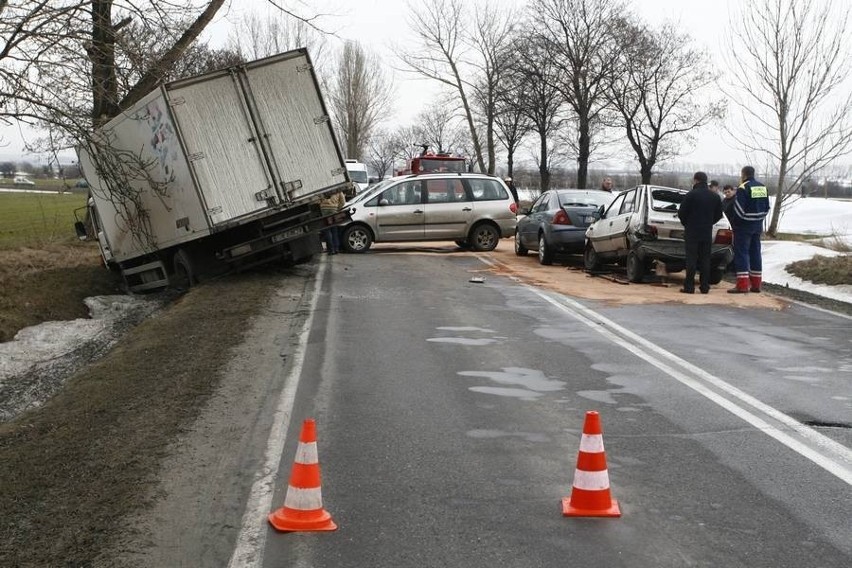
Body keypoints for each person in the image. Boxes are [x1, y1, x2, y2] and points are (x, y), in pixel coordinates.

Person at [726, 165, 770, 293]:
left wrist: (737, 222)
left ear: (743, 175)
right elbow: (767, 207)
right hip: (757, 225)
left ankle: (742, 285)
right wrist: (759, 219)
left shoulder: (743, 188)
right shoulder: (762, 187)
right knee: (755, 253)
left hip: (744, 227)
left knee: (742, 253)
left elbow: (739, 209)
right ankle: (756, 285)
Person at [677, 171, 723, 294]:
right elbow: (719, 214)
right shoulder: (714, 196)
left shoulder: (691, 195)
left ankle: (689, 287)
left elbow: (682, 213)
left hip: (692, 231)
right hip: (706, 232)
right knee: (705, 260)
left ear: (695, 180)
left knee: (691, 259)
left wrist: (687, 223)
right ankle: (704, 287)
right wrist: (709, 222)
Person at [319, 189, 346, 255]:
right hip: (334, 210)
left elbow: (318, 200)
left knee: (327, 230)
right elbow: (343, 202)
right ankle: (336, 248)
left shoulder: (322, 188)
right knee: (334, 230)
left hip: (324, 210)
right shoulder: (338, 189)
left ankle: (331, 250)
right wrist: (337, 208)